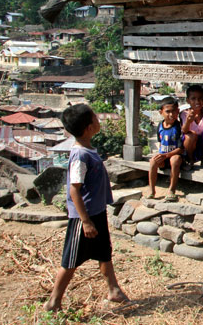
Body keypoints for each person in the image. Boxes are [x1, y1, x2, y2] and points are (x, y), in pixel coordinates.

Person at [44, 104, 128, 312]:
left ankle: (114, 290)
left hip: (96, 213)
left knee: (104, 253)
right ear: (89, 127)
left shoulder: (89, 151)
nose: (99, 120)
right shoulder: (80, 156)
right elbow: (74, 190)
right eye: (96, 117)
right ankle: (54, 301)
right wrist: (85, 221)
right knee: (70, 260)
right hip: (84, 217)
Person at [147, 97, 184, 201]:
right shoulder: (160, 126)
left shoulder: (179, 127)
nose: (171, 115)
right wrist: (161, 156)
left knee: (175, 159)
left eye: (174, 111)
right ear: (161, 112)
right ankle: (152, 190)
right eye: (167, 112)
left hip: (175, 156)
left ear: (178, 111)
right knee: (153, 161)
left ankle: (171, 189)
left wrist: (166, 155)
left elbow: (181, 149)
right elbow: (160, 142)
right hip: (164, 157)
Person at [180, 84, 203, 169]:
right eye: (193, 99)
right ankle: (190, 160)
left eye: (200, 99)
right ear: (188, 100)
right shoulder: (184, 114)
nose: (197, 101)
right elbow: (184, 131)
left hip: (202, 144)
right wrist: (188, 121)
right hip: (189, 144)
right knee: (190, 136)